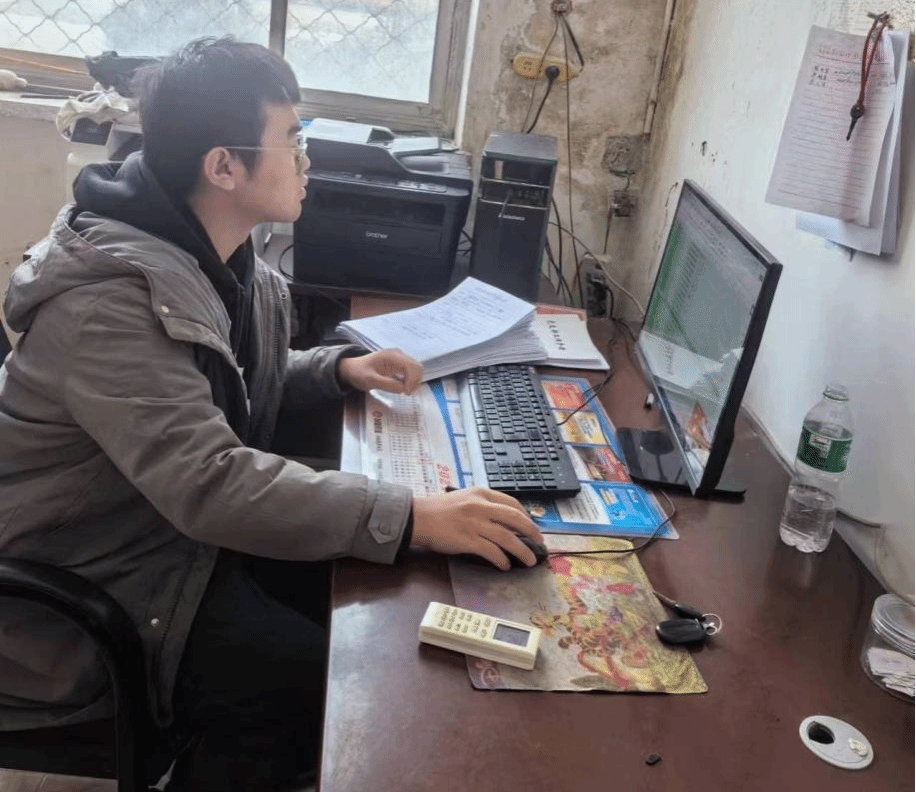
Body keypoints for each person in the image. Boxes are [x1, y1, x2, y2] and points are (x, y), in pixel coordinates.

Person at [0, 36, 543, 791]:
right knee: (318, 687)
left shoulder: (210, 250)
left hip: (159, 538)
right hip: (89, 584)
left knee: (362, 612)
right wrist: (411, 515)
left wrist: (334, 370)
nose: (306, 159)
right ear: (224, 167)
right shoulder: (109, 303)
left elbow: (205, 384)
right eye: (292, 139)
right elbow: (210, 483)